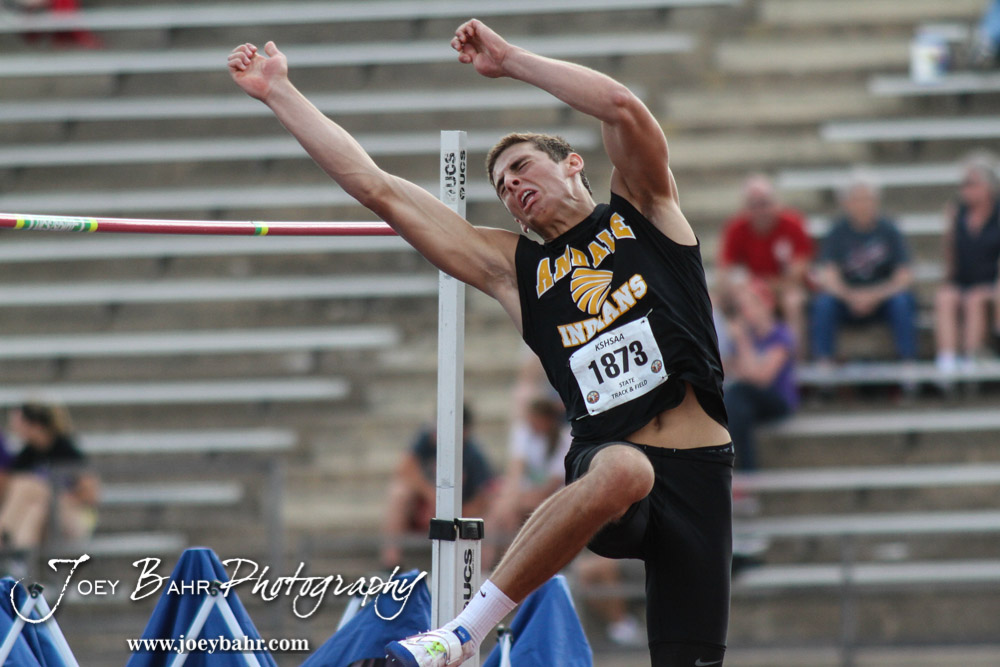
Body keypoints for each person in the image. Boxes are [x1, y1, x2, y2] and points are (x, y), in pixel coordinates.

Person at [230, 18, 733, 666]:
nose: (512, 186)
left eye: (521, 167)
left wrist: (511, 59)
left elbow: (620, 105)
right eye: (500, 186)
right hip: (608, 463)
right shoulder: (515, 271)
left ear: (572, 163)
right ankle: (459, 634)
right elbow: (377, 188)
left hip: (701, 473)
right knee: (627, 469)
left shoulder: (645, 210)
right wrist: (280, 93)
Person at [810, 176, 918, 369]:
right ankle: (824, 361)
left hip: (883, 299)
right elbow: (828, 274)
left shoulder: (890, 230)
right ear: (846, 203)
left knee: (902, 302)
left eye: (866, 199)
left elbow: (904, 275)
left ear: (876, 201)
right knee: (823, 304)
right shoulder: (837, 231)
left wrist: (874, 296)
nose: (862, 205)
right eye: (857, 199)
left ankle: (907, 361)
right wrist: (850, 296)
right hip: (847, 299)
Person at [380, 408, 496, 570]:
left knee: (488, 521)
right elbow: (404, 469)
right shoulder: (425, 441)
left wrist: (453, 513)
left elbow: (483, 497)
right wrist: (432, 497)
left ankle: (478, 572)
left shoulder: (474, 455)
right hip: (423, 509)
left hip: (461, 514)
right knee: (398, 492)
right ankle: (391, 564)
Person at [717, 174, 814, 357]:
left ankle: (795, 359)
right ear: (745, 207)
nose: (760, 210)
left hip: (785, 289)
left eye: (764, 203)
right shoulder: (736, 228)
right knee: (730, 300)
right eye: (753, 205)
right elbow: (725, 272)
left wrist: (760, 287)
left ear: (776, 202)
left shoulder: (793, 224)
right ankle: (739, 360)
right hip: (755, 290)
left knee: (792, 301)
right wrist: (745, 289)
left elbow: (797, 273)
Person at [483, 394, 570, 569]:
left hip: (551, 498)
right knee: (501, 515)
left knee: (505, 512)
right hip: (524, 495)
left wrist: (514, 499)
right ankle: (492, 565)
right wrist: (512, 496)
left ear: (546, 420)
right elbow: (516, 471)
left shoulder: (564, 440)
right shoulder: (523, 432)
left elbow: (550, 487)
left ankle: (502, 567)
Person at [934, 155, 1000, 377]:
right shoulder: (957, 214)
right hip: (964, 279)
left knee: (975, 298)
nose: (965, 189)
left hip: (992, 282)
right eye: (963, 184)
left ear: (988, 186)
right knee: (945, 297)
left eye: (971, 183)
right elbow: (950, 259)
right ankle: (947, 362)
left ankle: (970, 359)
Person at [0, 403, 99, 549]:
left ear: (35, 425)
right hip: (47, 519)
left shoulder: (66, 451)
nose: (15, 428)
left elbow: (90, 496)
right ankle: (20, 556)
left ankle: (3, 532)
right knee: (35, 510)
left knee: (26, 485)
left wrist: (57, 496)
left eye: (19, 423)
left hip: (74, 518)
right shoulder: (27, 455)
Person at [723, 279, 798, 473]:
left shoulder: (780, 335)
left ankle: (737, 470)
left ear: (766, 304)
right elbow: (732, 370)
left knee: (736, 395)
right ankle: (747, 472)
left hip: (777, 399)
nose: (745, 312)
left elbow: (761, 378)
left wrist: (742, 340)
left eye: (749, 306)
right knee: (740, 410)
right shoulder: (749, 335)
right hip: (749, 401)